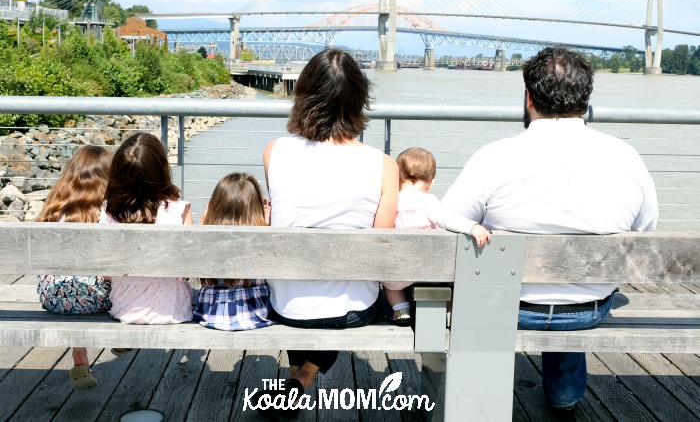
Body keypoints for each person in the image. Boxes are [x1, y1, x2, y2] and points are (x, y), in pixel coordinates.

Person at [442, 46, 658, 417]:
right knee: (574, 289)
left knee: (500, 280)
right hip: (588, 307)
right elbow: (646, 229)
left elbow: (448, 216)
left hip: (508, 305)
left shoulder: (493, 156)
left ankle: (479, 399)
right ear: (586, 100)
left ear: (528, 97)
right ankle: (564, 396)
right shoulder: (625, 156)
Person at [258, 48, 399, 416]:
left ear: (303, 95)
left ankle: (297, 375)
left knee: (300, 286)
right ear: (358, 99)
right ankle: (304, 376)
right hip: (352, 311)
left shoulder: (275, 152)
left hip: (284, 305)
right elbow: (383, 250)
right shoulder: (384, 165)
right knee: (345, 294)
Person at [384, 147, 491, 326]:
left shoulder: (392, 201)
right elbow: (447, 219)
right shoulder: (428, 201)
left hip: (399, 271)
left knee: (390, 286)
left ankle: (401, 310)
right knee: (452, 282)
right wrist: (472, 226)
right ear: (430, 183)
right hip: (431, 269)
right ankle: (449, 313)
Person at [36, 145, 113, 391]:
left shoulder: (54, 209)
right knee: (108, 279)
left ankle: (79, 354)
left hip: (53, 296)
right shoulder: (107, 212)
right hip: (98, 298)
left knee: (72, 282)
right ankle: (122, 341)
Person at [100, 132, 194, 326]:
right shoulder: (180, 211)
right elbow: (187, 269)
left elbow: (106, 273)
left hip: (125, 309)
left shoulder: (109, 212)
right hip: (173, 310)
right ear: (161, 170)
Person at [193, 172, 275, 331]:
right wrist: (267, 227)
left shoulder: (206, 236)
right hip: (254, 311)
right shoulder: (262, 238)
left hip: (211, 312)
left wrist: (203, 222)